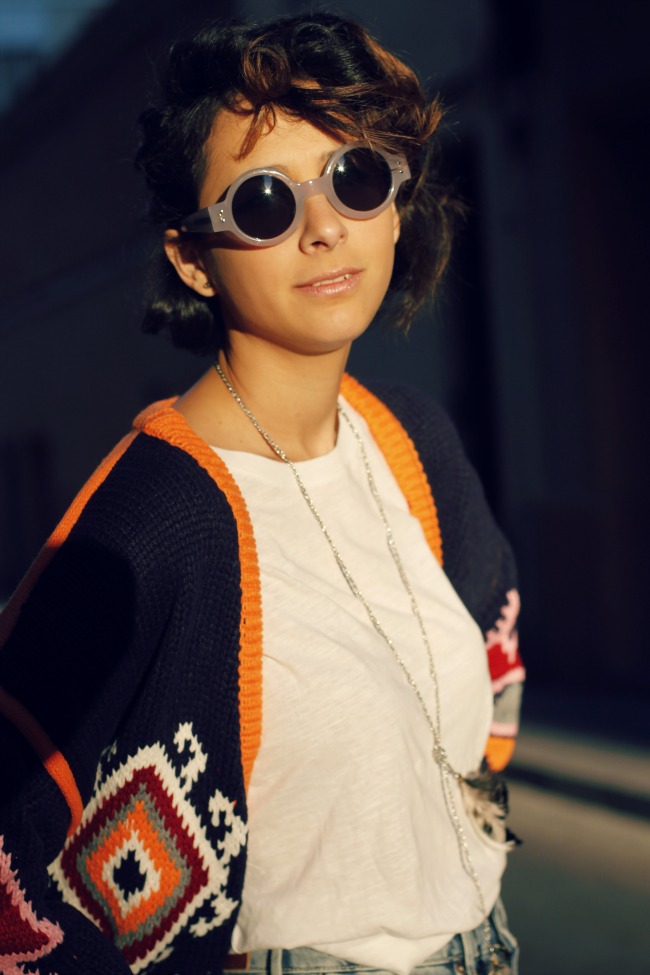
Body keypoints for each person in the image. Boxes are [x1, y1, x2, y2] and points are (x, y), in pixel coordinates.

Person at [0, 13, 525, 975]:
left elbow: (492, 665)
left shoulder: (416, 441)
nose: (325, 227)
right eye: (266, 202)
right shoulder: (150, 520)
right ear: (193, 256)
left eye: (354, 177)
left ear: (394, 204)